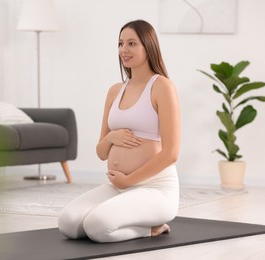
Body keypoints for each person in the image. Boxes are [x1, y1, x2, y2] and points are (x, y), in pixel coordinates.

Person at [58, 19, 181, 243]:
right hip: (118, 187)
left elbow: (171, 153)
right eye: (121, 43)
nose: (124, 50)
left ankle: (153, 228)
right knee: (68, 223)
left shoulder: (162, 86)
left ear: (148, 46)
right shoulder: (115, 91)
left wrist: (129, 180)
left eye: (132, 43)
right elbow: (101, 151)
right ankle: (137, 222)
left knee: (96, 226)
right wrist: (112, 137)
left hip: (156, 188)